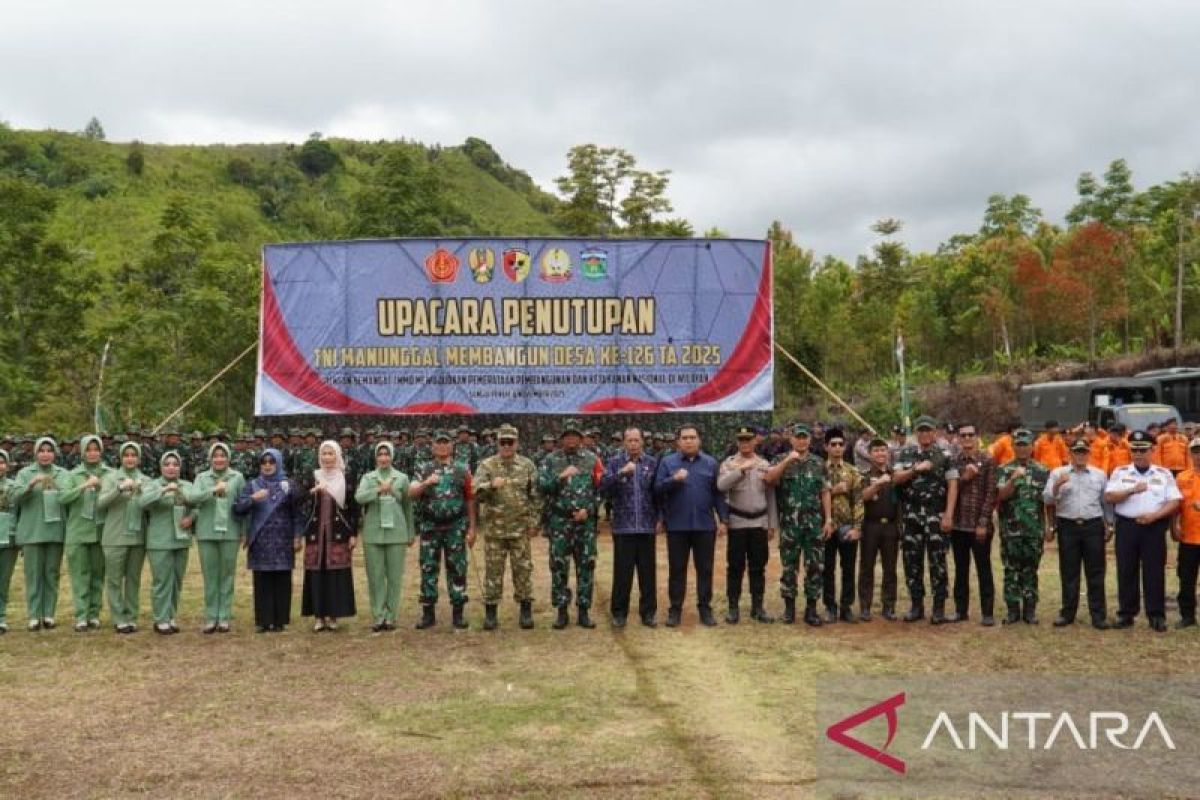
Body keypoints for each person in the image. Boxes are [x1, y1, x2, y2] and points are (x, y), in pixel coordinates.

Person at [1105, 430, 1181, 632]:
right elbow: (1110, 497)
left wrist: (1155, 516)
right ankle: (1126, 614)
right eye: (1135, 450)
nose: (1138, 454)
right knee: (1126, 569)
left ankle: (1156, 615)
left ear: (1153, 450)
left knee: (1154, 571)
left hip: (1154, 528)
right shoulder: (1121, 472)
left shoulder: (1163, 474)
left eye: (1143, 449)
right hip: (1127, 526)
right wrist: (1131, 490)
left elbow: (1174, 501)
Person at [655, 425, 728, 628]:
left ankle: (705, 608)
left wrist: (723, 519)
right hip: (677, 525)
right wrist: (673, 479)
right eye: (684, 438)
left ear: (699, 440)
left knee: (705, 569)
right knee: (677, 569)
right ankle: (675, 610)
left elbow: (717, 494)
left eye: (692, 437)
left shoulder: (711, 463)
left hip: (705, 526)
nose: (689, 441)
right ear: (678, 442)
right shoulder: (668, 463)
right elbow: (657, 489)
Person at [893, 416, 959, 624]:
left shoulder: (945, 455)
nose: (924, 434)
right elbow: (896, 479)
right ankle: (916, 606)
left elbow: (953, 485)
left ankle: (938, 607)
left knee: (937, 561)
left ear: (935, 433)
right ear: (916, 433)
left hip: (936, 515)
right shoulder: (905, 453)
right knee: (912, 561)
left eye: (928, 430)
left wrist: (948, 514)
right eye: (920, 431)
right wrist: (915, 469)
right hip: (911, 515)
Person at [473, 424, 539, 631]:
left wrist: (534, 523)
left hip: (520, 530)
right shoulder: (487, 466)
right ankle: (491, 613)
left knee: (523, 570)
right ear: (497, 443)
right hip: (495, 531)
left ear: (517, 443)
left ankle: (526, 611)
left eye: (511, 442)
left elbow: (536, 496)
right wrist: (491, 485)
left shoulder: (527, 465)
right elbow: (475, 491)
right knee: (493, 572)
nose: (507, 446)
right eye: (503, 442)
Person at [539, 420, 603, 629]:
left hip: (584, 524)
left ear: (581, 438)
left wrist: (590, 509)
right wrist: (560, 477)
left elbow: (601, 490)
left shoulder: (592, 459)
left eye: (575, 436)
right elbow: (542, 487)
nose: (571, 439)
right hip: (560, 522)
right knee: (559, 567)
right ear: (562, 438)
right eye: (568, 436)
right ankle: (561, 611)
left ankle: (584, 610)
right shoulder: (551, 460)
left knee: (586, 566)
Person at [765, 424, 831, 626]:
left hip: (813, 524)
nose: (801, 441)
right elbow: (769, 479)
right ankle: (789, 610)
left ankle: (811, 610)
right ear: (791, 439)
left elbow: (825, 492)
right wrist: (787, 460)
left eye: (805, 437)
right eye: (798, 437)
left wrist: (828, 518)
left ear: (810, 440)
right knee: (789, 567)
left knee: (814, 567)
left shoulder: (819, 463)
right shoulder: (779, 459)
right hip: (790, 525)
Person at [410, 431, 475, 630]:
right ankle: (428, 613)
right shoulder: (424, 468)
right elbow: (411, 493)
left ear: (452, 446)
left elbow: (470, 498)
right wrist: (426, 482)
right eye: (438, 442)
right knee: (428, 568)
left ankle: (458, 613)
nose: (442, 446)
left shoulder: (462, 469)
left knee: (457, 569)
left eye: (446, 443)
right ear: (433, 447)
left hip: (455, 527)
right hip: (431, 526)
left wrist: (472, 527)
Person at [1044, 438, 1111, 629]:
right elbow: (1047, 498)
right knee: (1069, 571)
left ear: (1089, 454)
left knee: (1096, 572)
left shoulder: (1099, 475)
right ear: (1070, 454)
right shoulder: (1058, 472)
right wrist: (1057, 486)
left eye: (1084, 452)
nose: (1080, 456)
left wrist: (1110, 524)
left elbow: (1105, 502)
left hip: (1092, 526)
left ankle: (1098, 616)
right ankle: (1067, 613)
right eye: (1076, 452)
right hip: (1068, 525)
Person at [234, 448, 303, 633]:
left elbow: (297, 514)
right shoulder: (253, 485)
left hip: (283, 540)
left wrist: (298, 536)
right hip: (261, 540)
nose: (267, 465)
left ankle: (279, 620)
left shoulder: (289, 485)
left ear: (278, 463)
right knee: (262, 581)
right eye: (264, 462)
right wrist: (252, 499)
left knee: (282, 580)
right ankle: (264, 621)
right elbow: (238, 509)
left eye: (271, 462)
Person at [601, 426, 661, 628]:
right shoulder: (614, 462)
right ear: (624, 442)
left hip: (646, 526)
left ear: (643, 441)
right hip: (623, 527)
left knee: (647, 573)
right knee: (622, 573)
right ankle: (619, 613)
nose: (634, 444)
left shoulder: (652, 463)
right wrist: (620, 473)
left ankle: (648, 613)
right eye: (630, 440)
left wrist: (660, 518)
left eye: (637, 440)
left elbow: (658, 493)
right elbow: (603, 487)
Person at [184, 442, 246, 633]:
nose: (219, 459)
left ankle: (224, 616)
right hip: (206, 532)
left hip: (230, 532)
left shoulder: (237, 477)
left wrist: (244, 532)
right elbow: (191, 498)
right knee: (210, 576)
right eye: (215, 456)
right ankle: (211, 617)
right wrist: (212, 490)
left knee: (227, 575)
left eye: (223, 455)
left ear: (228, 458)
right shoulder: (202, 477)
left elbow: (243, 505)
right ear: (210, 459)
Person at [717, 425, 776, 625]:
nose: (745, 443)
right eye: (741, 440)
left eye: (748, 440)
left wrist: (772, 523)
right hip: (738, 522)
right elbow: (721, 485)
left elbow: (770, 494)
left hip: (759, 522)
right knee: (735, 566)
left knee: (758, 566)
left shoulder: (764, 464)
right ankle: (733, 608)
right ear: (737, 442)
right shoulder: (729, 463)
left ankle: (757, 607)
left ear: (754, 441)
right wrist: (740, 471)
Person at [356, 441, 415, 632]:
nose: (383, 458)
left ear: (392, 456)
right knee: (375, 576)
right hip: (373, 533)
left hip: (397, 532)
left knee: (395, 577)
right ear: (375, 457)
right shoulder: (368, 477)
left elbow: (408, 506)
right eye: (380, 454)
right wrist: (378, 490)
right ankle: (378, 616)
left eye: (386, 454)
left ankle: (391, 616)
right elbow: (359, 497)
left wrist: (410, 532)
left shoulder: (402, 478)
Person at [299, 440, 358, 632]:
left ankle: (333, 616)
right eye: (323, 454)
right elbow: (298, 500)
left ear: (338, 456)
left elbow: (353, 508)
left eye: (330, 453)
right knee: (317, 573)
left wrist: (353, 534)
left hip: (338, 534)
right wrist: (312, 492)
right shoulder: (313, 477)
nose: (327, 458)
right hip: (316, 534)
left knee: (336, 573)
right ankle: (318, 616)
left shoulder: (346, 478)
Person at [12, 437, 69, 631]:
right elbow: (15, 497)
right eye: (41, 451)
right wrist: (30, 486)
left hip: (55, 531)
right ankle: (34, 615)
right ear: (35, 454)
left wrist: (59, 488)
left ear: (54, 454)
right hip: (32, 532)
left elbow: (69, 497)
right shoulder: (24, 473)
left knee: (52, 574)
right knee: (33, 575)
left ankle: (49, 614)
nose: (45, 454)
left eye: (49, 451)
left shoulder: (63, 474)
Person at [994, 429, 1050, 625]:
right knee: (1011, 570)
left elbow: (1048, 501)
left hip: (1034, 530)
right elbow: (1001, 496)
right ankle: (1012, 610)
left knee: (1030, 570)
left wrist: (1050, 526)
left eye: (1026, 444)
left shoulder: (1043, 471)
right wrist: (1013, 479)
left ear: (1032, 446)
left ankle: (1030, 610)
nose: (1022, 448)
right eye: (1019, 444)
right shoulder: (1004, 469)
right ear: (1013, 446)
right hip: (1010, 530)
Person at [138, 451, 194, 634]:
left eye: (175, 464)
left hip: (181, 540)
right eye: (167, 464)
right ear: (161, 467)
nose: (171, 467)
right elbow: (142, 502)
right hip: (159, 541)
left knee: (176, 581)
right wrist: (163, 490)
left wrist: (191, 517)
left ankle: (171, 616)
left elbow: (198, 505)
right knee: (162, 581)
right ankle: (160, 619)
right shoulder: (152, 485)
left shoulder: (187, 485)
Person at [59, 434, 110, 631]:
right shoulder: (72, 475)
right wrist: (84, 486)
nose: (92, 453)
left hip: (101, 531)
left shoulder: (109, 473)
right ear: (82, 452)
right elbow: (62, 498)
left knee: (98, 574)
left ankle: (94, 614)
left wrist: (102, 486)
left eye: (96, 449)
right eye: (88, 450)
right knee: (80, 575)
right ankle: (81, 615)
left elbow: (116, 494)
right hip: (78, 532)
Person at [97, 442, 149, 633]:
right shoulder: (111, 478)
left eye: (133, 455)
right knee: (114, 580)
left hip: (137, 537)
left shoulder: (145, 479)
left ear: (139, 458)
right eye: (126, 455)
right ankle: (119, 617)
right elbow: (100, 504)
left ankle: (131, 616)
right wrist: (119, 489)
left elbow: (151, 505)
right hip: (115, 537)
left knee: (133, 579)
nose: (130, 458)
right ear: (120, 458)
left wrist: (143, 491)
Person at [949, 423, 997, 625]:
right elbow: (949, 490)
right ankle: (961, 610)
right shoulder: (953, 461)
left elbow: (991, 493)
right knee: (961, 570)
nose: (967, 439)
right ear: (958, 439)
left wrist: (983, 522)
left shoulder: (987, 460)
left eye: (971, 434)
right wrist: (964, 477)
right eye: (963, 435)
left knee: (983, 568)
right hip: (959, 524)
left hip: (979, 525)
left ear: (977, 437)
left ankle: (987, 612)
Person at [822, 429, 863, 623]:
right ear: (826, 447)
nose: (837, 448)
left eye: (840, 444)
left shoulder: (852, 471)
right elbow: (812, 498)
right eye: (833, 444)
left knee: (848, 568)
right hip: (826, 527)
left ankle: (846, 607)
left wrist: (857, 528)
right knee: (826, 568)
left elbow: (858, 501)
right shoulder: (819, 469)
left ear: (845, 447)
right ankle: (830, 606)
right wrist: (832, 490)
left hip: (847, 526)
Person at [858, 437, 900, 621]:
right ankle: (865, 606)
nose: (880, 453)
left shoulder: (896, 475)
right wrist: (878, 484)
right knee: (867, 567)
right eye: (876, 450)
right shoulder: (864, 475)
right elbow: (862, 497)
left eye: (883, 450)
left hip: (890, 526)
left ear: (888, 453)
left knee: (890, 569)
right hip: (870, 526)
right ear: (870, 454)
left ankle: (889, 606)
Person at [1172, 437, 1200, 629]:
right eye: (1195, 451)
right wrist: (1174, 526)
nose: (1199, 456)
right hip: (1189, 537)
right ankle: (1187, 615)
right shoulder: (1181, 478)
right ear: (1190, 454)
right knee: (1186, 578)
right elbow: (1175, 505)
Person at [0, 450, 16, 634]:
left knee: (3, 580)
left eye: (2, 462)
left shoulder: (13, 486)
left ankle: (1, 617)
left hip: (9, 536)